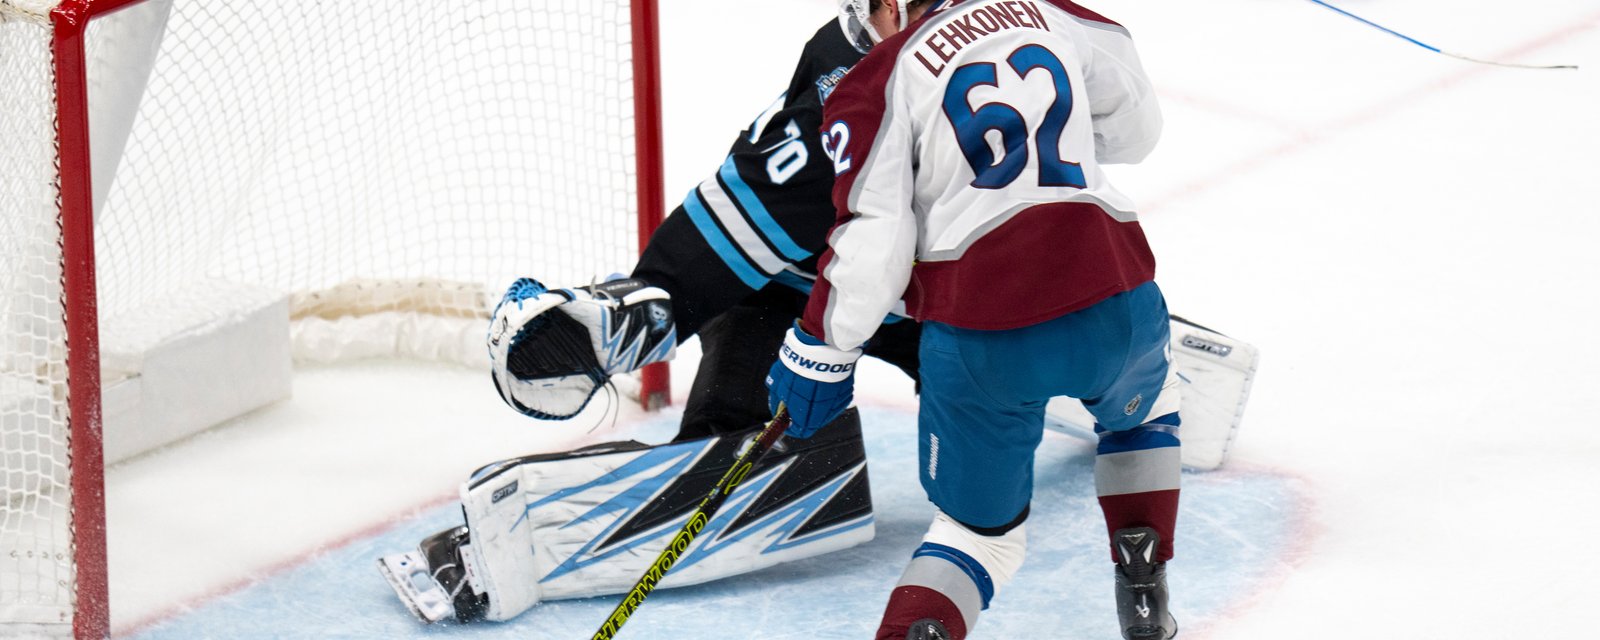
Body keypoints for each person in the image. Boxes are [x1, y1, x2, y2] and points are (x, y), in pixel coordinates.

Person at [764, 0, 1181, 638]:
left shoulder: (876, 78)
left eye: (867, 11)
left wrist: (819, 351)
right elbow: (1137, 134)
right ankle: (1143, 577)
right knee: (1146, 415)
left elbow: (874, 246)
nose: (866, 28)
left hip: (985, 337)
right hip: (1117, 300)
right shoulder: (1050, 13)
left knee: (978, 539)